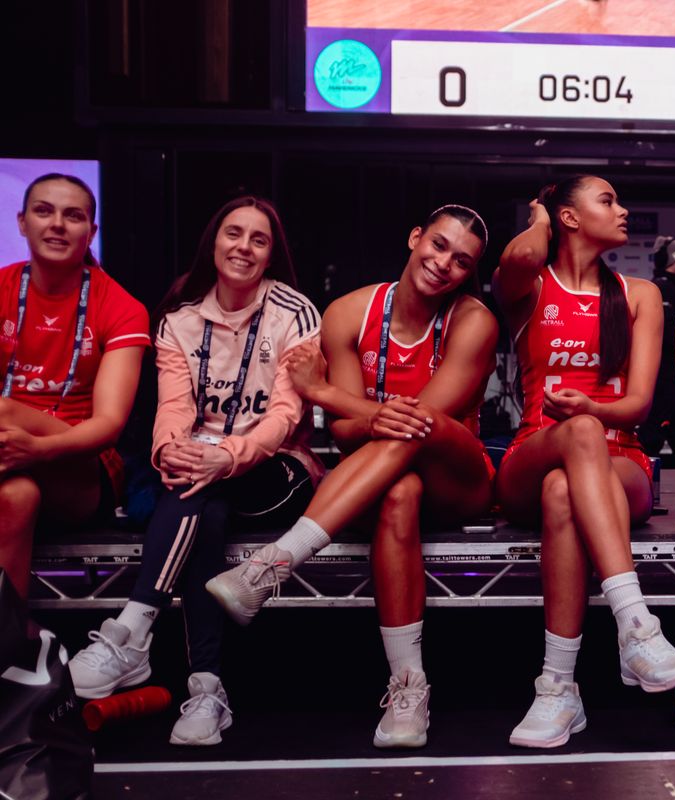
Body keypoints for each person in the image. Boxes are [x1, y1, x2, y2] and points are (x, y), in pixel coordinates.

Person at [205, 205, 497, 749]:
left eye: (461, 261)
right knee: (400, 492)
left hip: (458, 481)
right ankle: (408, 687)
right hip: (380, 480)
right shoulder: (348, 312)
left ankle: (276, 561)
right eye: (438, 245)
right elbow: (343, 434)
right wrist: (359, 414)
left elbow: (419, 421)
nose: (444, 264)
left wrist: (322, 392)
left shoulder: (473, 320)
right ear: (415, 237)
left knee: (420, 423)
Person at [68, 196, 323, 746]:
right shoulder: (179, 319)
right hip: (202, 472)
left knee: (201, 492)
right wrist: (169, 449)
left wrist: (226, 456)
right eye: (234, 233)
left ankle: (133, 628)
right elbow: (174, 407)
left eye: (258, 239)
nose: (243, 247)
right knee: (205, 511)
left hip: (275, 468)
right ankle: (206, 689)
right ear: (213, 242)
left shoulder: (295, 311)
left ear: (271, 255)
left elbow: (286, 413)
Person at [494, 175, 675, 749]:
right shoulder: (532, 284)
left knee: (566, 487)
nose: (623, 209)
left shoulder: (640, 295)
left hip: (620, 460)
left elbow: (638, 404)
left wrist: (590, 407)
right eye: (607, 201)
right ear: (569, 217)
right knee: (574, 442)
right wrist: (540, 216)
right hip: (533, 452)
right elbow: (517, 258)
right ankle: (636, 627)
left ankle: (558, 687)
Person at [0, 174, 149, 599]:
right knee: (16, 496)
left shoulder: (121, 306)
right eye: (43, 211)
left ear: (91, 232)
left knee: (3, 410)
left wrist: (38, 449)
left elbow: (109, 425)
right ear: (22, 222)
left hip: (80, 469)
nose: (57, 224)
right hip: (6, 461)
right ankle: (19, 634)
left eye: (73, 215)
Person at [637, 236, 675, 467]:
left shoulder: (669, 289)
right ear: (674, 260)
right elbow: (667, 338)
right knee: (651, 439)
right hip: (662, 382)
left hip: (670, 381)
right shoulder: (662, 289)